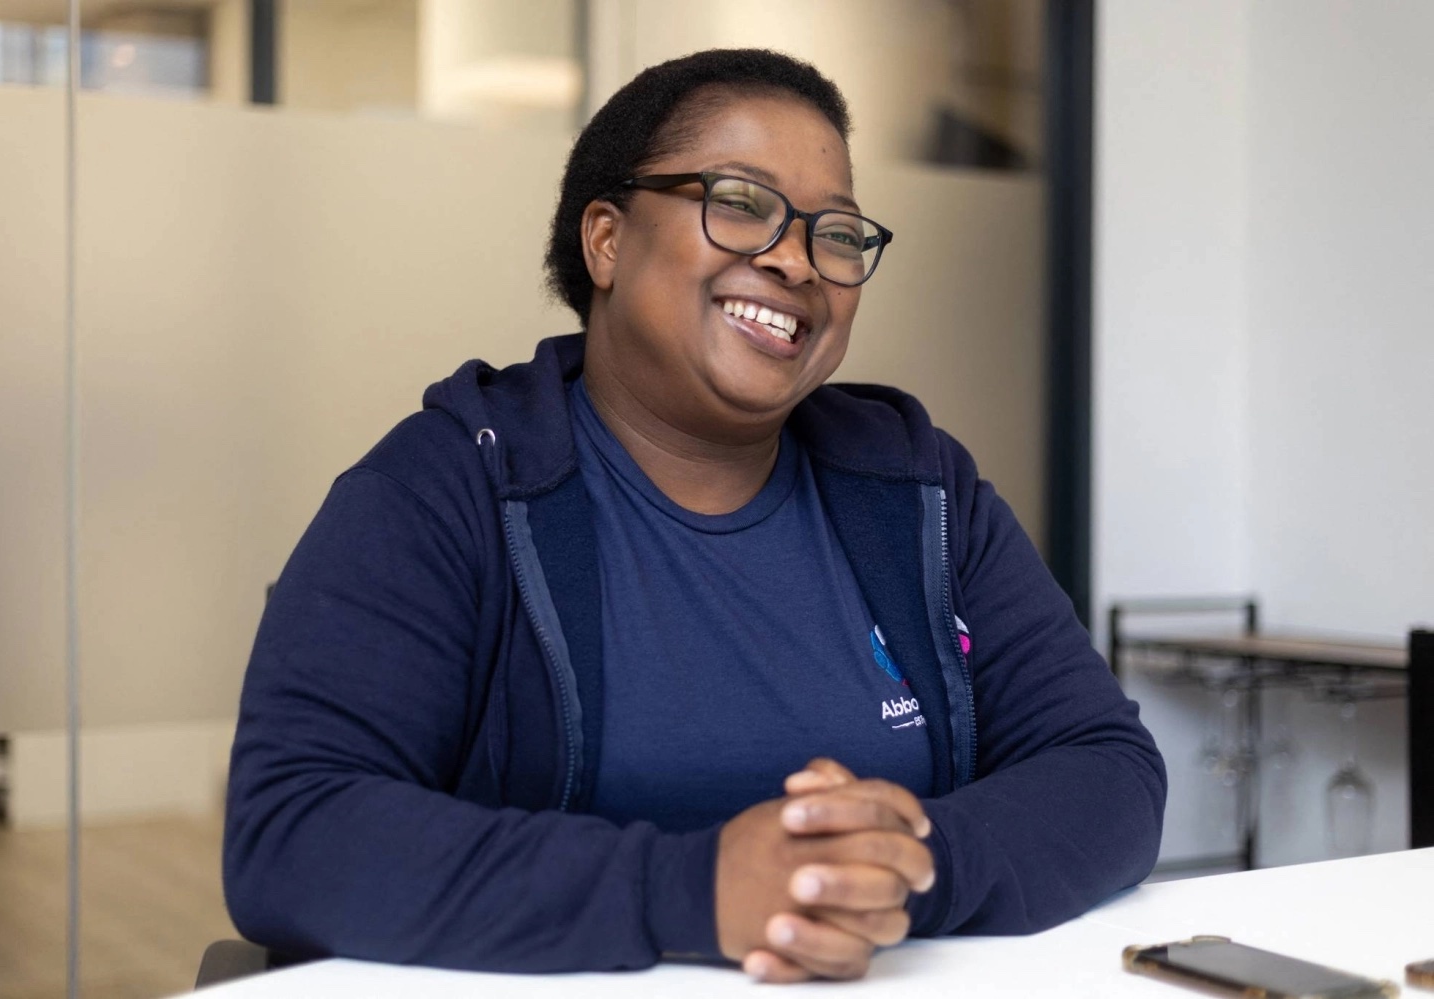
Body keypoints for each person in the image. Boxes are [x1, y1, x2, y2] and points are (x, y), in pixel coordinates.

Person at [223, 48, 1165, 983]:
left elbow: (1107, 766)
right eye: (742, 203)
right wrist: (689, 889)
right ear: (606, 240)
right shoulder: (448, 486)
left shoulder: (916, 487)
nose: (797, 260)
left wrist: (900, 871)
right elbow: (294, 830)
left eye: (835, 233)